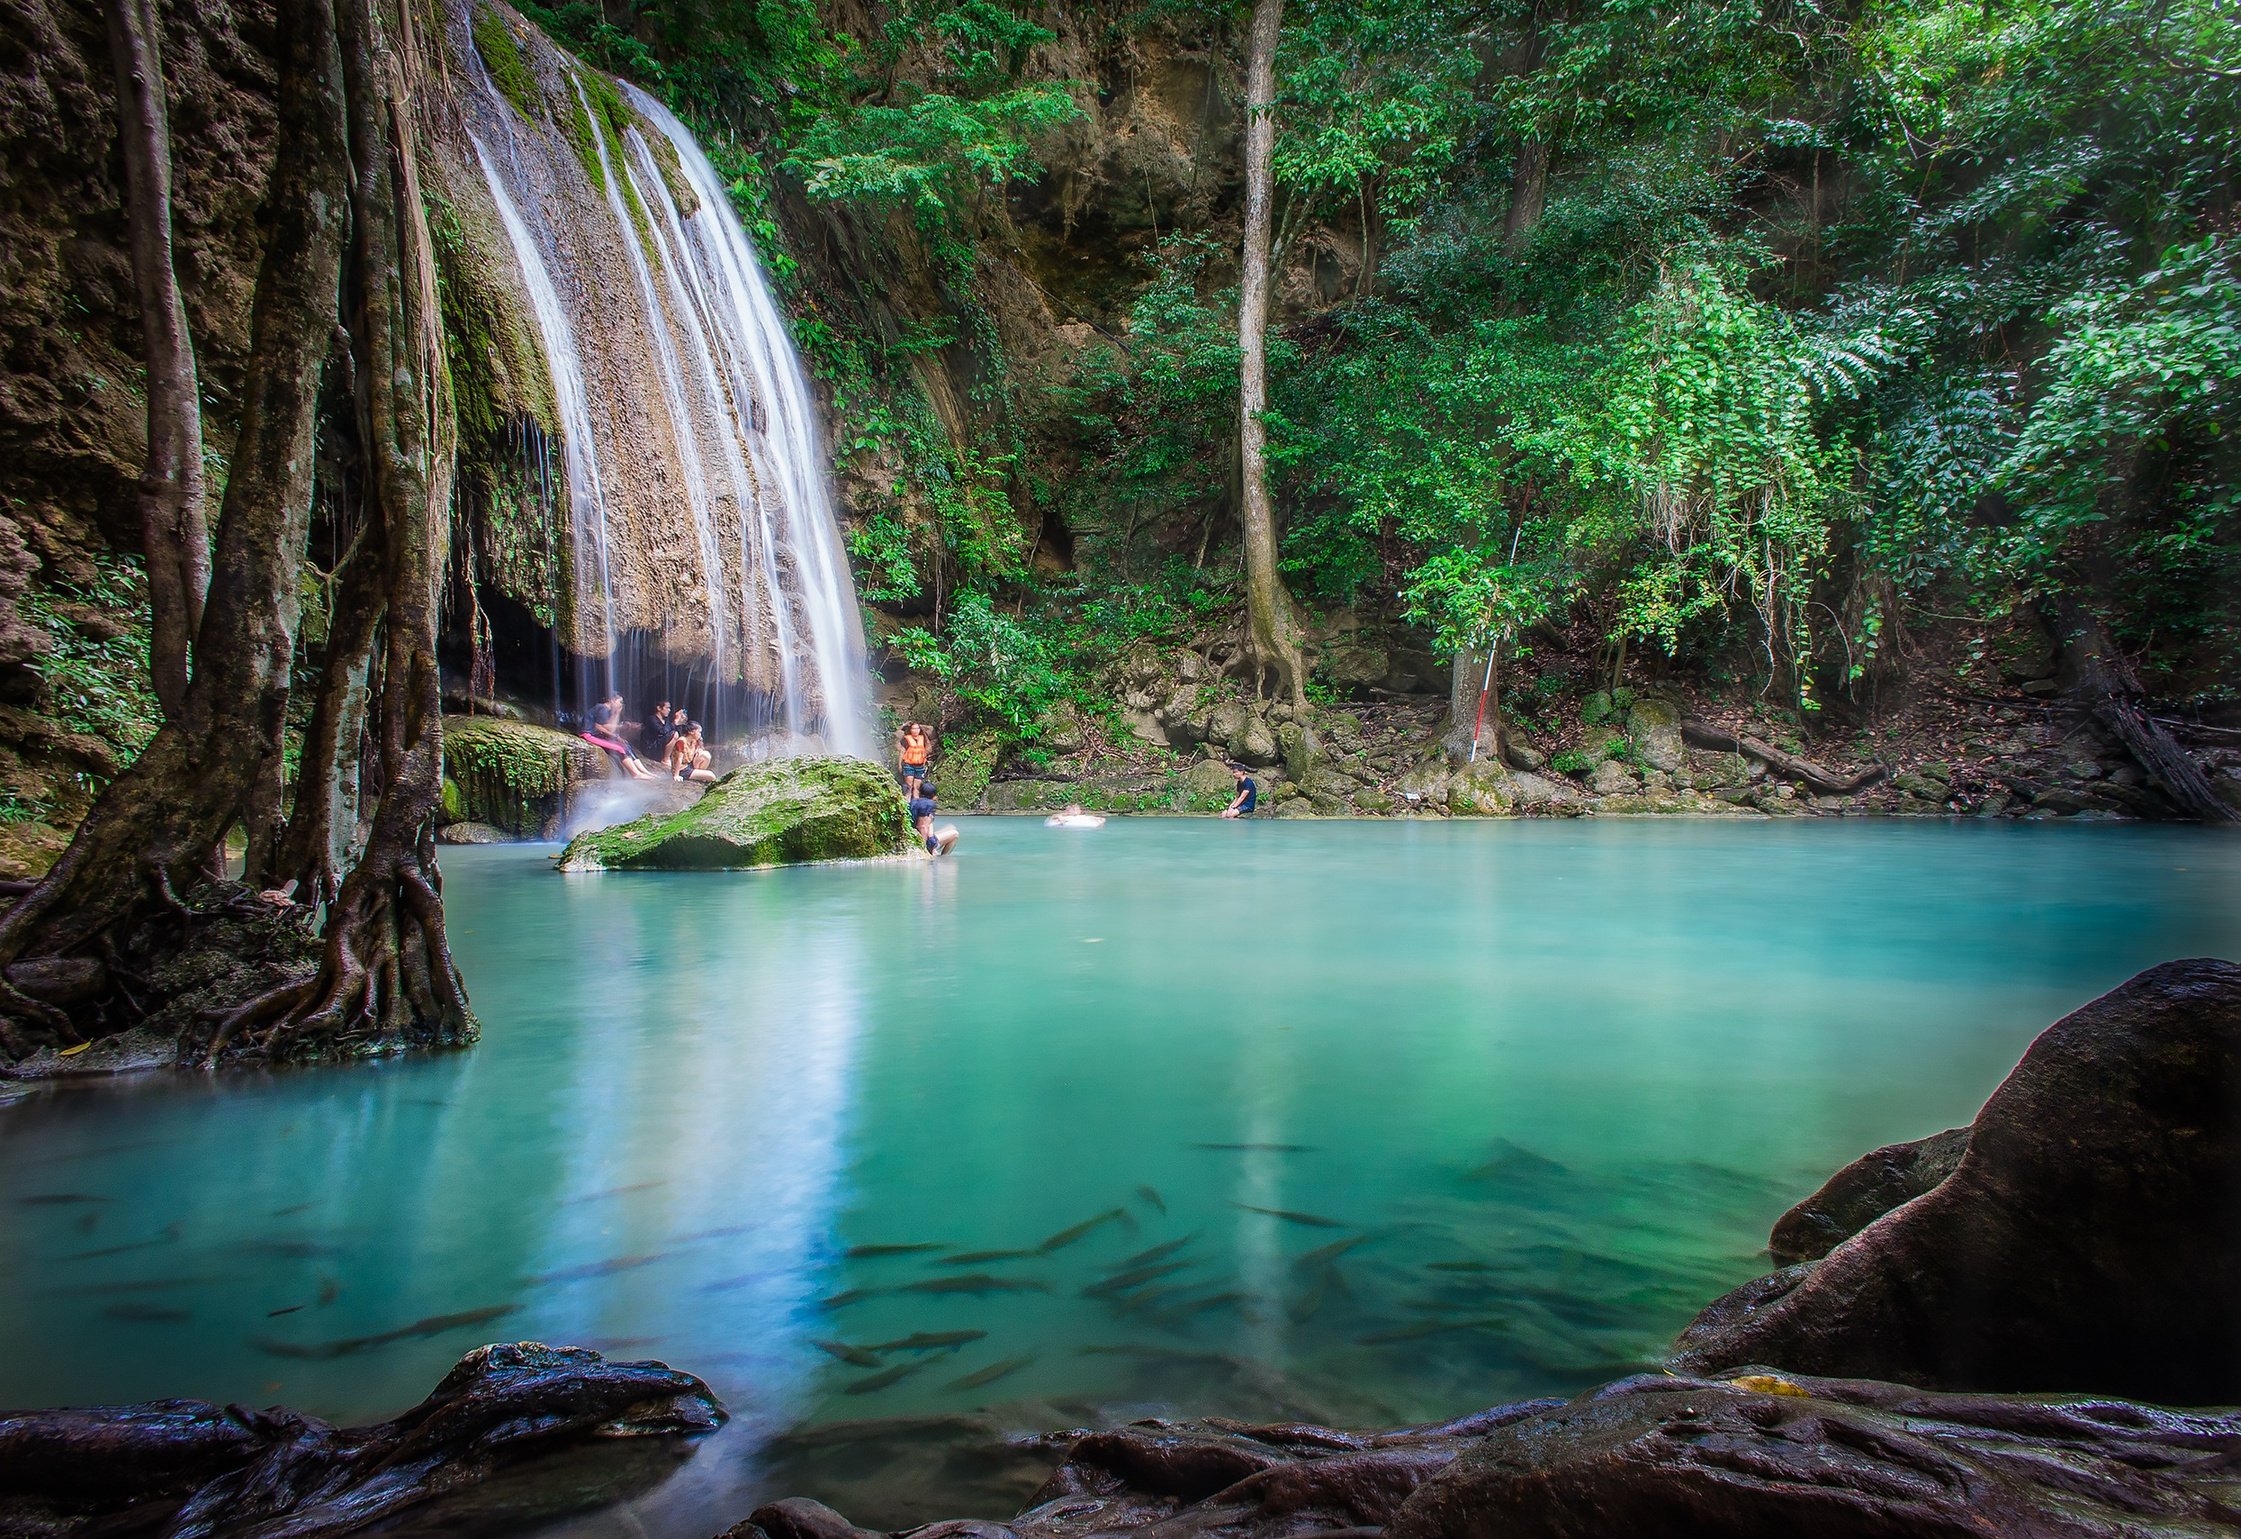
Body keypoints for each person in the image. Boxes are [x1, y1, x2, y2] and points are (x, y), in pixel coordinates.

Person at [583, 693, 656, 779]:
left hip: (596, 735)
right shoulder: (602, 708)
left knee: (624, 745)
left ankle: (643, 771)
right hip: (588, 734)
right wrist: (619, 729)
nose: (621, 704)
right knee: (620, 748)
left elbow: (609, 727)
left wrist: (616, 714)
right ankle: (635, 774)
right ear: (612, 700)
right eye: (620, 701)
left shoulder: (606, 710)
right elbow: (600, 727)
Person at [908, 782, 958, 855]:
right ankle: (943, 857)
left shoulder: (913, 802)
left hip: (915, 835)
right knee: (955, 834)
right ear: (933, 796)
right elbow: (922, 826)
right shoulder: (928, 804)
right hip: (924, 839)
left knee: (951, 827)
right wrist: (925, 848)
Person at [895, 721, 934, 794]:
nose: (915, 730)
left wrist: (923, 756)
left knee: (917, 787)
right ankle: (908, 802)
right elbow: (902, 752)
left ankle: (915, 802)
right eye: (913, 729)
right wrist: (899, 764)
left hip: (920, 765)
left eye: (917, 729)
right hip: (909, 765)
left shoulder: (923, 738)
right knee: (909, 786)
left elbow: (929, 748)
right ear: (910, 730)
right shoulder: (906, 739)